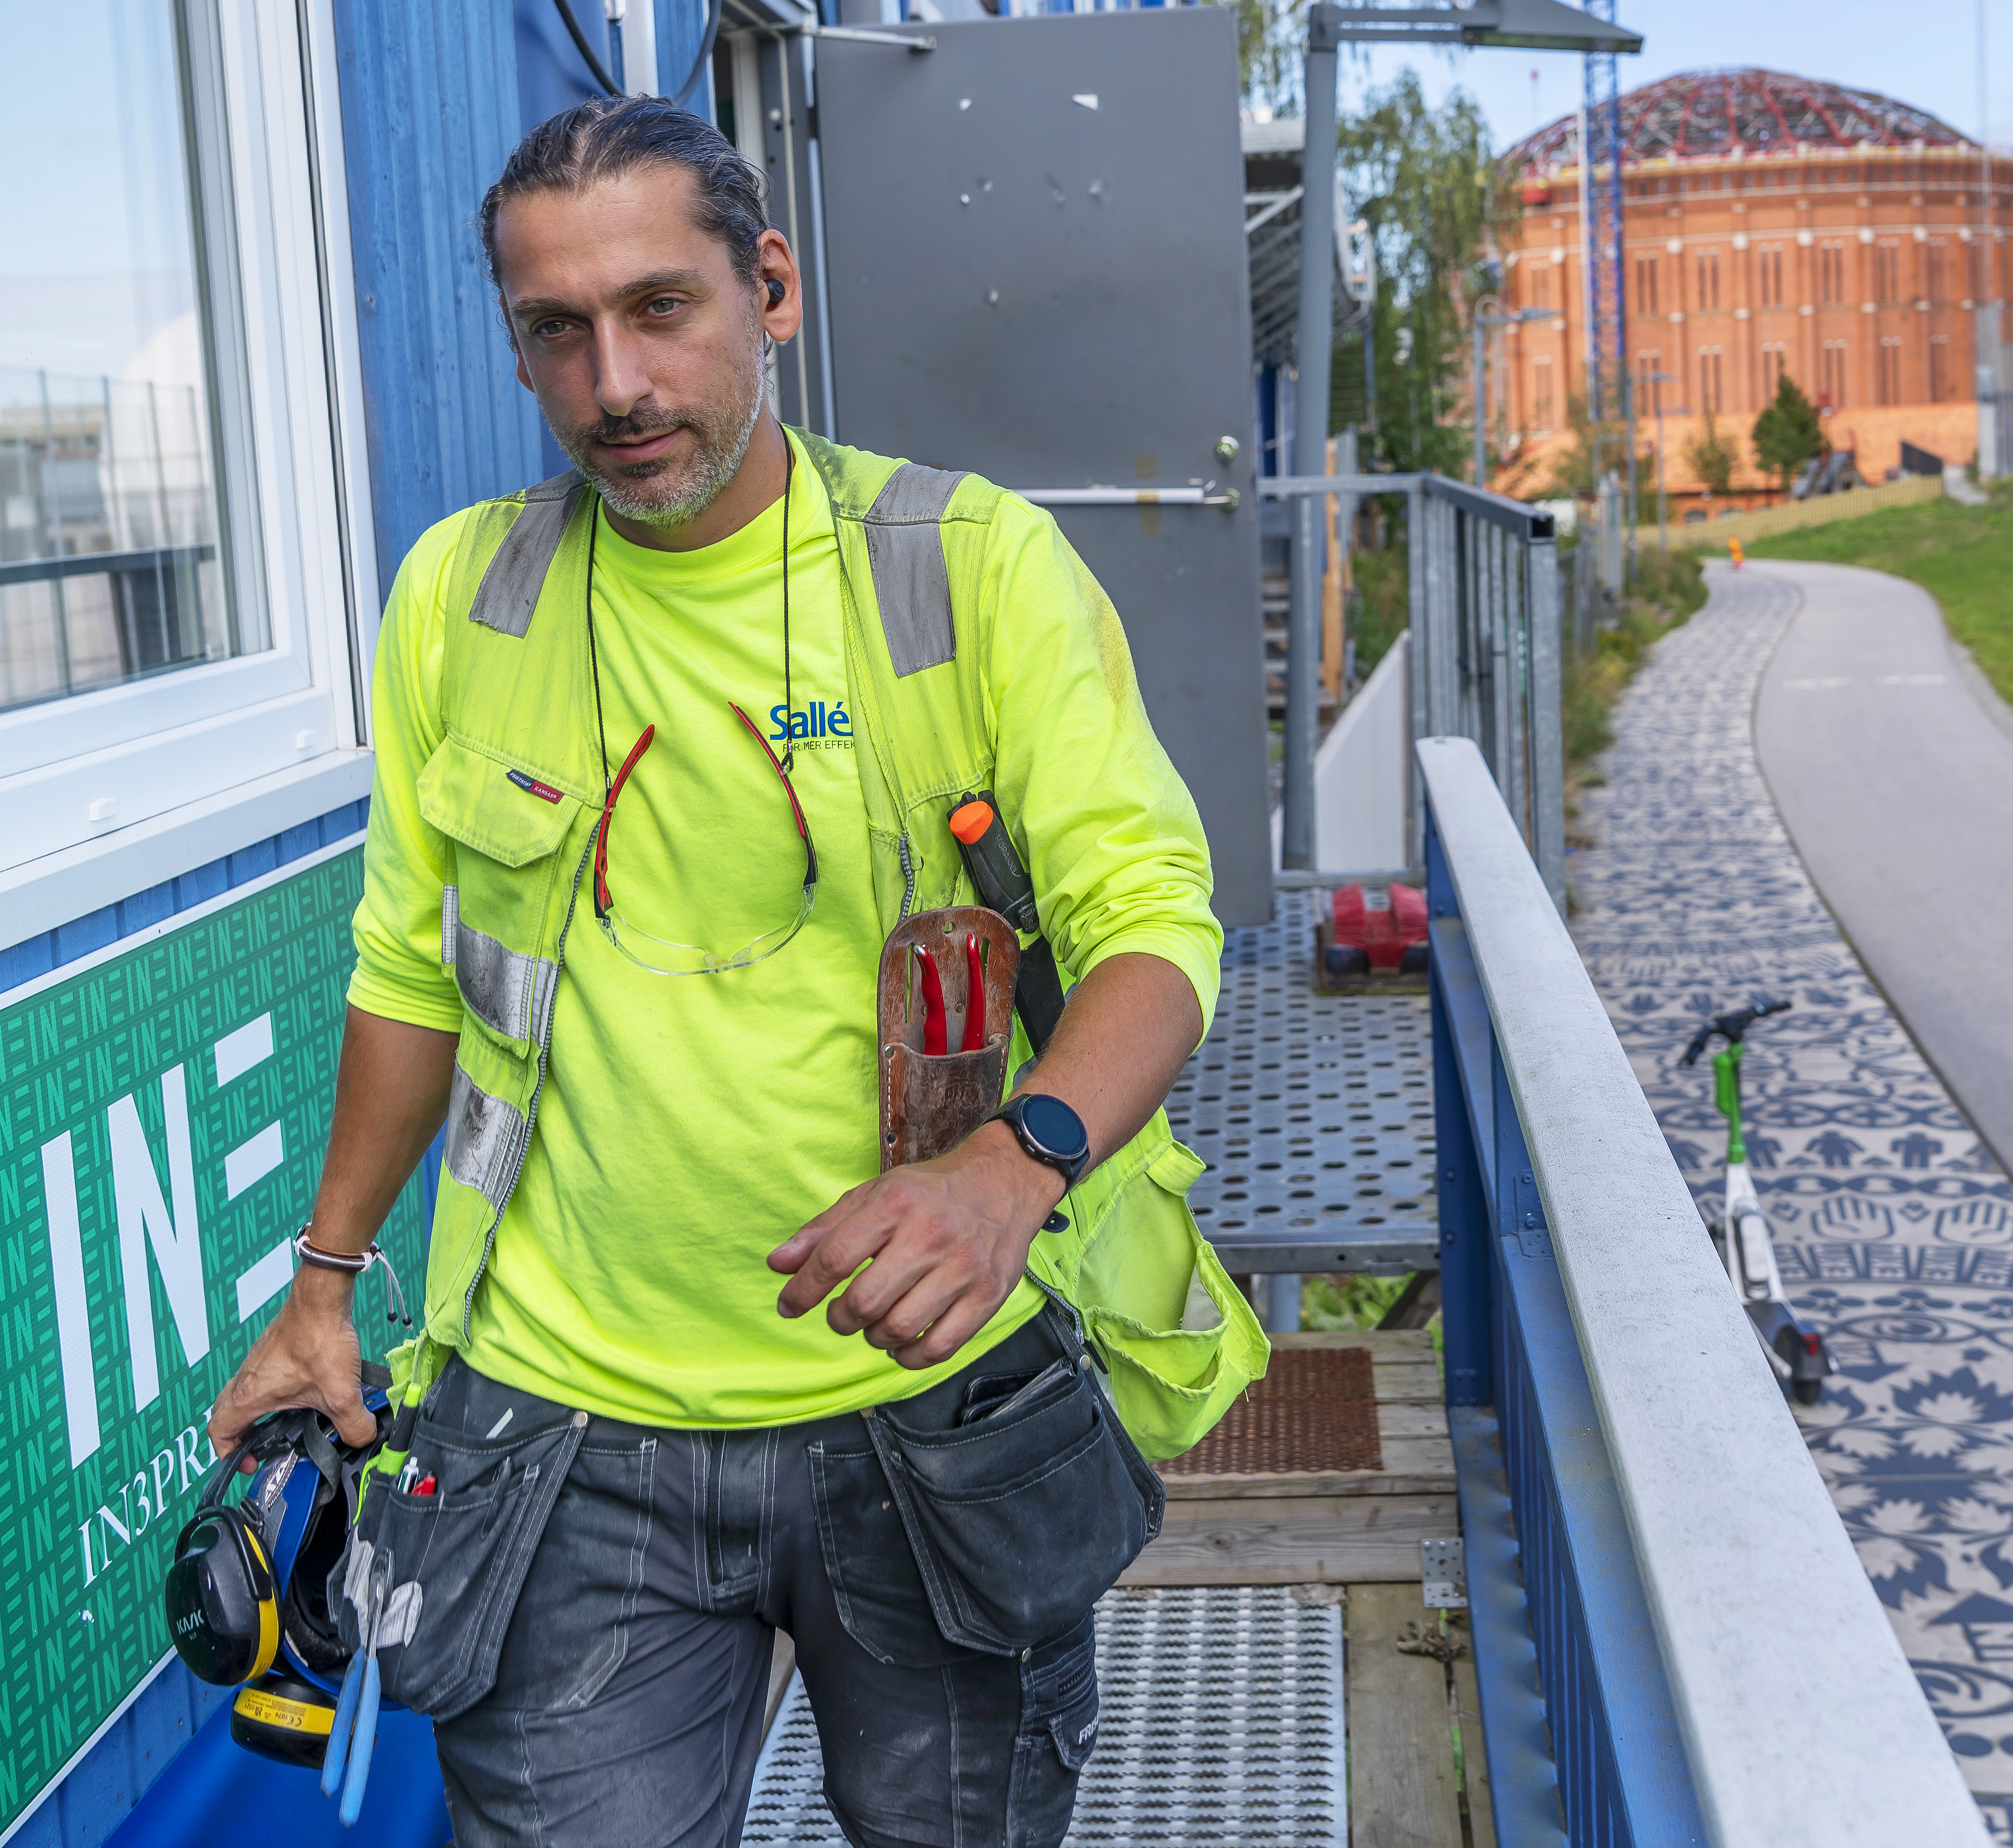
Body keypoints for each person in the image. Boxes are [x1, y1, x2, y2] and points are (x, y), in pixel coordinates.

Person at [205, 97, 1259, 1847]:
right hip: (565, 1437)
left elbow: (1160, 922)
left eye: (660, 308)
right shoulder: (464, 600)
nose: (613, 381)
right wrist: (325, 1284)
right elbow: (408, 972)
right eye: (556, 330)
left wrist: (1016, 1165)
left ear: (769, 287)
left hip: (935, 1410)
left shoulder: (965, 570)